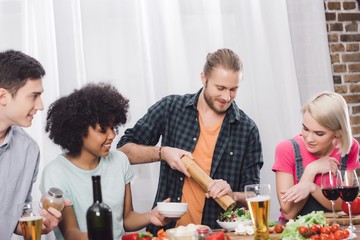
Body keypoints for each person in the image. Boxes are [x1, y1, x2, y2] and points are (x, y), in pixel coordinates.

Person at [117, 48, 263, 232]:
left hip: (215, 235)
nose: (227, 97)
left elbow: (254, 193)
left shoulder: (247, 129)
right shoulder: (171, 108)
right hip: (165, 234)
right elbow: (122, 152)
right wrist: (163, 153)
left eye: (233, 89)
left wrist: (233, 195)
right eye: (220, 88)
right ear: (204, 78)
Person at [40, 82, 170, 240]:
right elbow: (71, 233)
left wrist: (151, 215)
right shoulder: (56, 172)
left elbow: (126, 219)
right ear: (79, 130)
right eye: (103, 130)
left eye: (113, 128)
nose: (112, 136)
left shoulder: (120, 161)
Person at [0, 50, 69, 239]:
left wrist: (40, 223)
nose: (41, 106)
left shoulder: (28, 150)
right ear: (2, 96)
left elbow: (17, 217)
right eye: (34, 96)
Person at [272, 91, 360, 221]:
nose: (309, 139)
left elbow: (344, 204)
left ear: (338, 133)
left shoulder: (349, 147)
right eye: (306, 129)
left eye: (319, 134)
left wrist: (312, 188)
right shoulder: (286, 149)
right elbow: (289, 213)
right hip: (297, 230)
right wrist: (311, 171)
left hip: (335, 228)